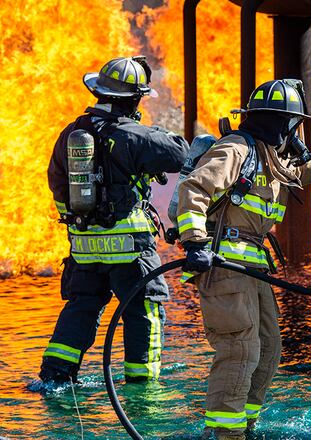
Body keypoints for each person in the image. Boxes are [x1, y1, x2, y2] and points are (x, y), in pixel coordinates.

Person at [176, 79, 311, 440]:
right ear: (281, 122)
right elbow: (193, 188)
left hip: (252, 266)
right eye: (293, 124)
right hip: (223, 265)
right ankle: (225, 433)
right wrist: (195, 242)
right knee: (240, 347)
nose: (295, 133)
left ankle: (245, 424)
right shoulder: (236, 150)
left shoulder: (267, 155)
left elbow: (299, 172)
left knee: (269, 347)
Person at [40, 56, 189, 386]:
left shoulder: (71, 134)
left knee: (83, 305)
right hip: (129, 248)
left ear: (99, 93)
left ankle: (56, 376)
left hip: (83, 247)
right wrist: (153, 128)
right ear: (134, 98)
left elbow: (56, 180)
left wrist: (78, 219)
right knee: (144, 307)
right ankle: (141, 388)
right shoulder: (132, 135)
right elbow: (180, 152)